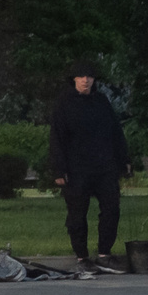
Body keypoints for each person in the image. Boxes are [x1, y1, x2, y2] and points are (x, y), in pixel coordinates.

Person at [48, 63, 129, 274]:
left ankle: (104, 253)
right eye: (81, 76)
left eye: (90, 77)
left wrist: (124, 160)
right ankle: (82, 257)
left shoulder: (101, 101)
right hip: (76, 169)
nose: (86, 80)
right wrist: (59, 169)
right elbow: (56, 138)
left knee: (111, 208)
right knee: (77, 214)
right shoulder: (64, 104)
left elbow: (115, 132)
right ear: (74, 79)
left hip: (104, 165)